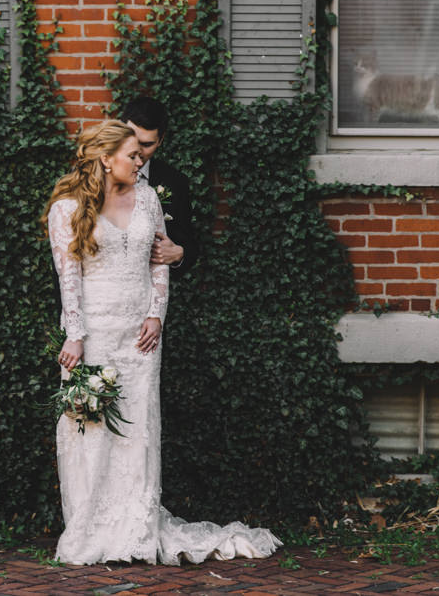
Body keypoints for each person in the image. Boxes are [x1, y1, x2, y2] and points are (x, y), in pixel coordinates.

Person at [43, 120, 282, 565]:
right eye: (133, 155)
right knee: (91, 431)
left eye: (141, 154)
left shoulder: (149, 199)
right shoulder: (67, 208)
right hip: (93, 335)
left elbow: (159, 263)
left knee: (138, 430)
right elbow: (68, 277)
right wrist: (75, 336)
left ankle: (136, 532)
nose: (141, 162)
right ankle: (91, 528)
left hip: (141, 338)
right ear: (105, 158)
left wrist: (156, 315)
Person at [122, 96, 198, 279]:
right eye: (132, 139)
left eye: (146, 144)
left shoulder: (175, 182)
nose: (137, 151)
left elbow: (188, 242)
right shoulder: (91, 176)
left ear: (160, 140)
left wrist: (179, 254)